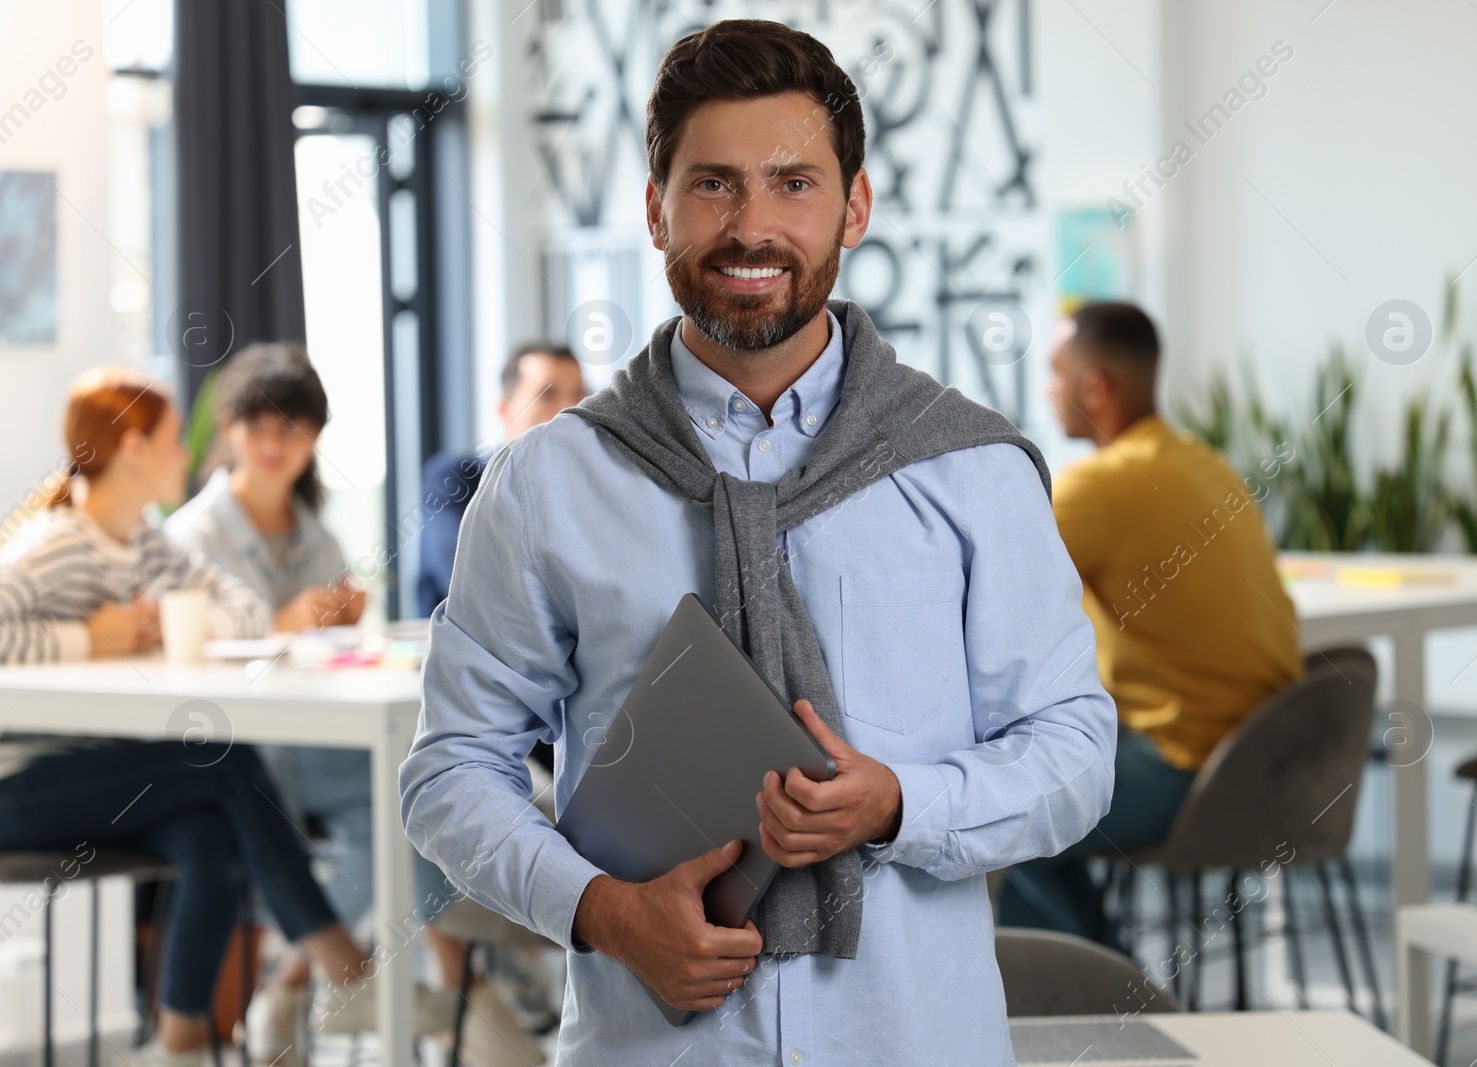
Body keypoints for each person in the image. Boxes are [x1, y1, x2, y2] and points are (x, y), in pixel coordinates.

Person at [400, 19, 1116, 1064]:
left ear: (853, 206)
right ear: (655, 210)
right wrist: (600, 909)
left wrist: (900, 803)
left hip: (908, 1037)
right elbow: (452, 767)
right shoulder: (551, 478)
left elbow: (1072, 751)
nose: (751, 225)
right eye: (713, 185)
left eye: (793, 183)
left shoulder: (969, 468)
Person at [163, 344, 540, 1067]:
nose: (276, 446)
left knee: (410, 795)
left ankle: (299, 979)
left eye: (293, 430)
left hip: (321, 738)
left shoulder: (318, 535)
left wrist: (338, 623)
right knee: (405, 796)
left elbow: (324, 659)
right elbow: (192, 658)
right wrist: (285, 622)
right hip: (238, 754)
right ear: (230, 430)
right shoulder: (193, 535)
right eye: (259, 426)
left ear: (313, 439)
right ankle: (446, 987)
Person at [0, 367, 381, 1067]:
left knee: (209, 835)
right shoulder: (54, 544)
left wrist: (169, 621)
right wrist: (91, 638)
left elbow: (236, 601)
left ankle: (177, 1048)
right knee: (219, 755)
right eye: (176, 439)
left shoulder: (142, 540)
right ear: (135, 447)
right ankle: (346, 965)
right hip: (20, 788)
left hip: (93, 777)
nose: (188, 453)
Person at [997, 302, 1304, 944]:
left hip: (1190, 767)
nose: (1046, 390)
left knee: (1010, 813)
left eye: (1054, 374)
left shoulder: (1104, 484)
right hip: (1272, 756)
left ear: (1095, 388)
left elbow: (987, 591)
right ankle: (1109, 1003)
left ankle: (1100, 1012)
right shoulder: (1202, 462)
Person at [416, 343, 588, 618]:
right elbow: (464, 581)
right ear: (505, 408)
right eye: (548, 394)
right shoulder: (457, 479)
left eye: (579, 394)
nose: (569, 409)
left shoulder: (586, 488)